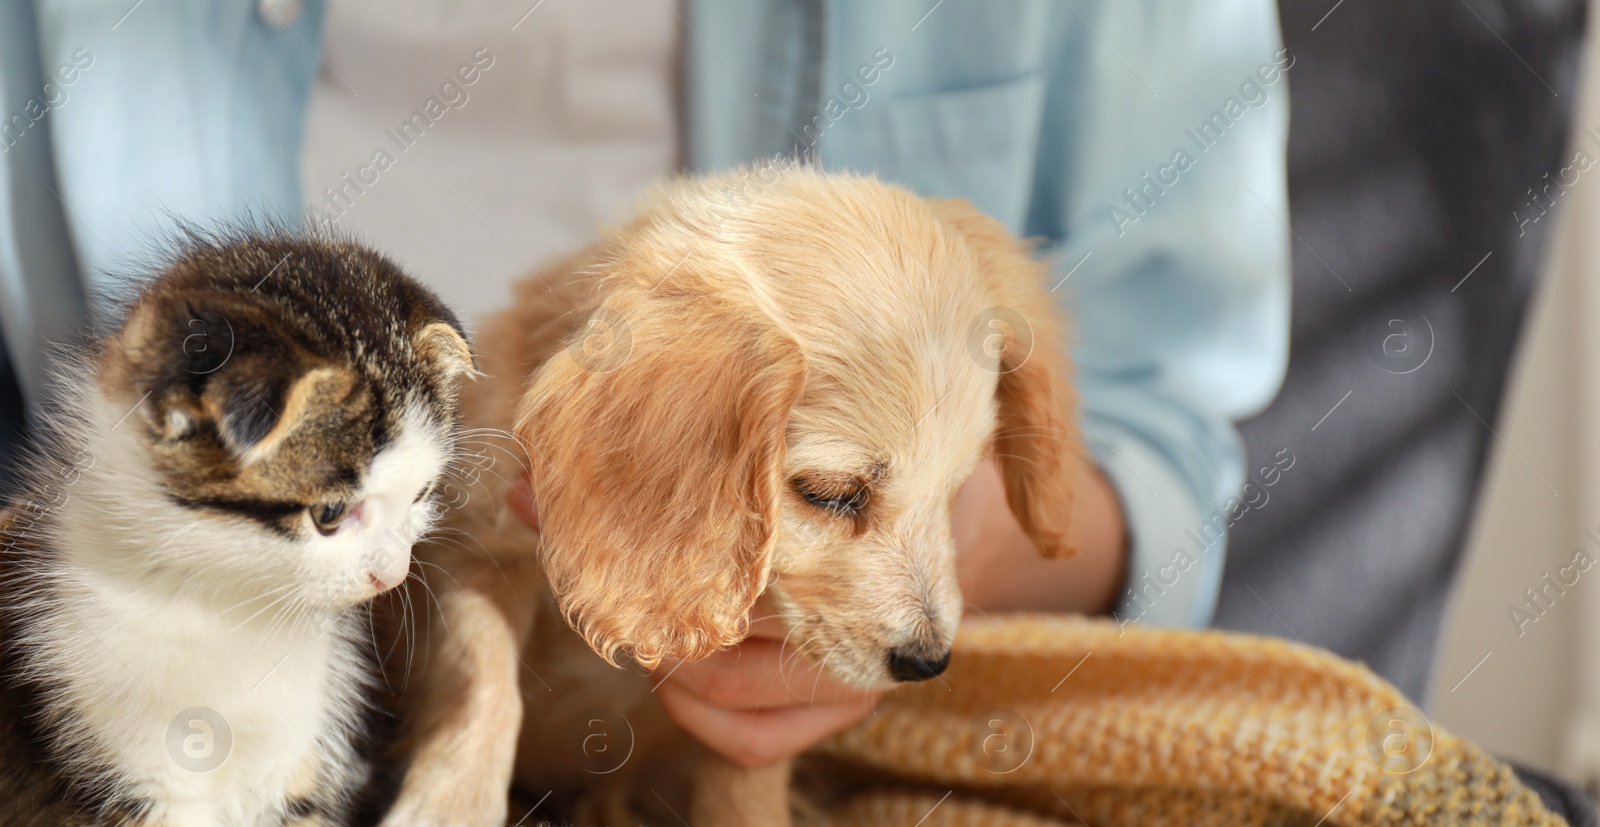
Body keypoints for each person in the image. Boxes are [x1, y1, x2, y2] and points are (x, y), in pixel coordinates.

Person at [0, 0, 1289, 771]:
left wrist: (908, 540)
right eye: (830, 488)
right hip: (186, 694)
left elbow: (1157, 428)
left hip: (796, 790)